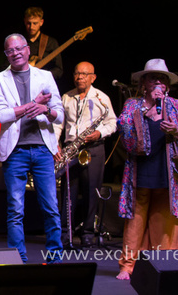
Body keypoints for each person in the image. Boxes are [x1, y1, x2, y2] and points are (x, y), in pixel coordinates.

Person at [116, 59, 178, 280]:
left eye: (162, 78)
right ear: (144, 82)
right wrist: (146, 108)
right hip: (140, 172)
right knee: (135, 222)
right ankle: (128, 266)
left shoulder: (176, 106)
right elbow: (123, 130)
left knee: (165, 223)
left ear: (168, 85)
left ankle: (166, 266)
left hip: (166, 174)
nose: (158, 82)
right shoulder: (133, 105)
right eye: (153, 78)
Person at [0, 33, 63, 263]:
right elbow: (1, 114)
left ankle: (54, 259)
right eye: (10, 50)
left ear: (28, 50)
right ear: (6, 55)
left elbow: (59, 114)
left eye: (19, 48)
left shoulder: (45, 76)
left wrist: (46, 110)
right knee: (15, 210)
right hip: (15, 151)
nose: (16, 53)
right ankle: (18, 260)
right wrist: (33, 104)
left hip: (42, 150)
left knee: (50, 207)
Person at [54, 62, 118, 249]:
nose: (79, 77)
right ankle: (66, 233)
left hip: (94, 148)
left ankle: (88, 233)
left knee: (92, 192)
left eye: (84, 74)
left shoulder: (102, 97)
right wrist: (56, 144)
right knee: (68, 193)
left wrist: (99, 133)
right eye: (76, 73)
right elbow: (58, 123)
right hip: (71, 148)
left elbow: (112, 122)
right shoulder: (66, 96)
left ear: (93, 77)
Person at [23, 7, 63, 79]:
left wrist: (42, 76)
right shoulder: (18, 42)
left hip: (42, 86)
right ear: (24, 21)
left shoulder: (51, 43)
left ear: (41, 22)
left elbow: (58, 70)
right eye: (29, 23)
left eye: (35, 23)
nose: (31, 27)